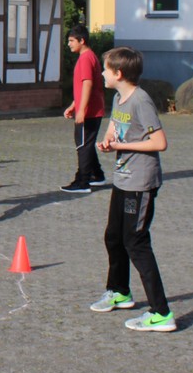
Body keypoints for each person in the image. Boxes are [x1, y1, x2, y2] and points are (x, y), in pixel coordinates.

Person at [91, 46, 176, 332]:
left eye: (105, 69)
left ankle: (161, 313)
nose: (102, 73)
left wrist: (122, 145)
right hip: (122, 179)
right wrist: (107, 140)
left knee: (136, 242)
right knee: (113, 236)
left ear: (118, 73)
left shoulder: (141, 101)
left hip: (140, 183)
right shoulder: (119, 98)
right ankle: (120, 292)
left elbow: (159, 142)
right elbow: (116, 125)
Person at [61, 24, 107, 193]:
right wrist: (74, 105)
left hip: (89, 112)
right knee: (87, 144)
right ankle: (97, 175)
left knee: (82, 145)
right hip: (90, 109)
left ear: (82, 40)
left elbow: (88, 84)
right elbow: (82, 87)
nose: (69, 44)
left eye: (72, 41)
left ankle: (82, 181)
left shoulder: (86, 58)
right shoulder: (87, 57)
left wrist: (81, 110)